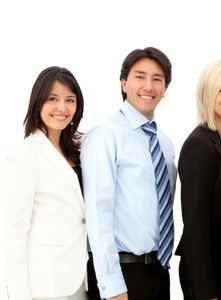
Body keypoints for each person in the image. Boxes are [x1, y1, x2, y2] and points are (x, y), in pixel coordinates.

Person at [81, 47, 176, 300]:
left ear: (165, 89)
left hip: (158, 271)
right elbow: (97, 214)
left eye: (157, 79)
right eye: (139, 76)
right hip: (122, 274)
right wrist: (112, 286)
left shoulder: (164, 142)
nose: (149, 86)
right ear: (124, 83)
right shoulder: (105, 135)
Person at [5, 66, 87, 300]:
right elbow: (15, 234)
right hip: (47, 285)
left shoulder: (77, 152)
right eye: (53, 99)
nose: (62, 108)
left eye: (70, 100)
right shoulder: (26, 154)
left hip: (81, 278)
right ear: (38, 102)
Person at [175, 60, 221, 300]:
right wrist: (206, 293)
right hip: (207, 275)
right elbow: (195, 226)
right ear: (207, 94)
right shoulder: (199, 145)